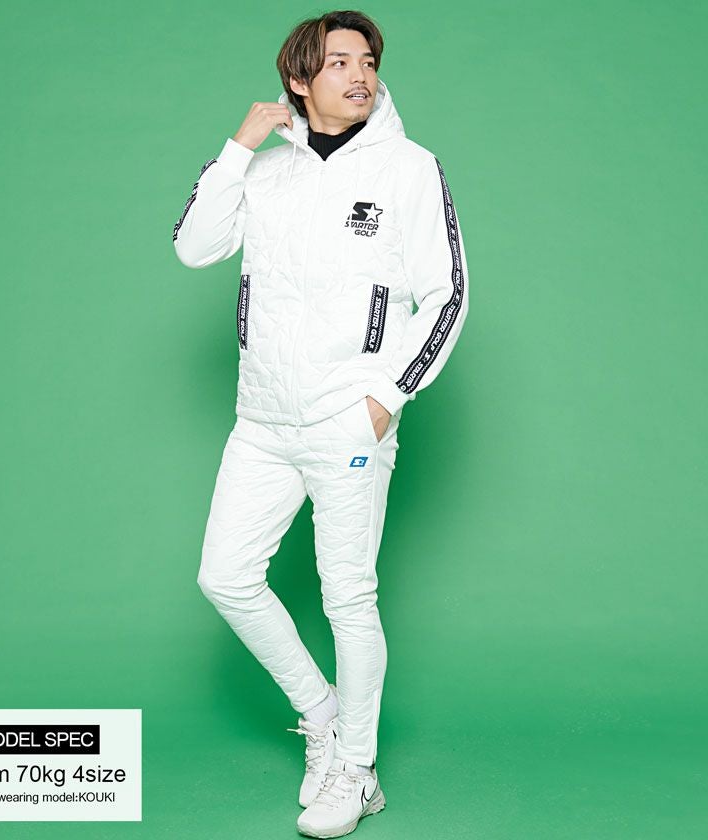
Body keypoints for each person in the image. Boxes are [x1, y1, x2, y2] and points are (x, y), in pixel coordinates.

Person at [173, 9, 469, 837]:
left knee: (349, 597)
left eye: (368, 60)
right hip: (262, 420)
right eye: (339, 62)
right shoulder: (264, 173)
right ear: (298, 79)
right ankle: (321, 712)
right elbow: (194, 246)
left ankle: (357, 770)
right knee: (226, 577)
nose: (360, 73)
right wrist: (238, 148)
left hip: (349, 421)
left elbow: (447, 294)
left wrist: (387, 397)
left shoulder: (409, 168)